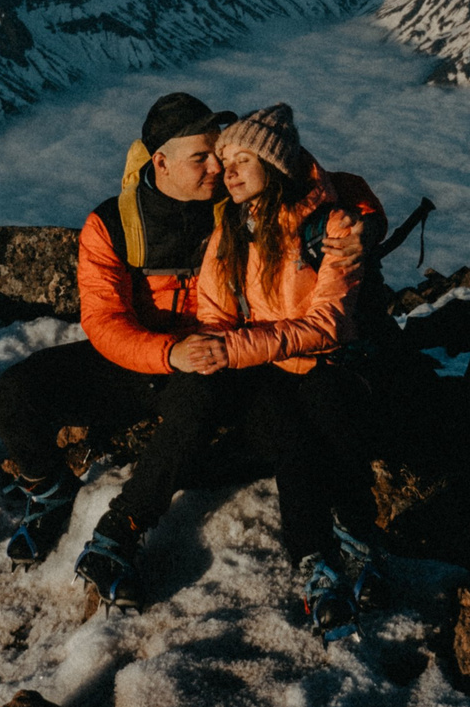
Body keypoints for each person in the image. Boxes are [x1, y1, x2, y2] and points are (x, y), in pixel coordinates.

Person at [72, 103, 389, 638]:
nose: (227, 171)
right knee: (274, 423)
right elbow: (212, 313)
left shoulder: (330, 227)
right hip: (259, 361)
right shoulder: (229, 222)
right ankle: (122, 528)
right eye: (220, 158)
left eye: (243, 159)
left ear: (277, 165)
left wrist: (369, 224)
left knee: (319, 417)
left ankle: (338, 546)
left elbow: (329, 322)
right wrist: (203, 352)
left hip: (316, 359)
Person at [0, 91, 235, 563]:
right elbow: (103, 320)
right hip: (137, 358)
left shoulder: (237, 211)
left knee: (197, 398)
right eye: (200, 157)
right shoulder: (112, 224)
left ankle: (127, 522)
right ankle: (51, 488)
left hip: (206, 361)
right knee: (13, 394)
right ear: (160, 162)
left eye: (217, 155)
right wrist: (167, 354)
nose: (216, 169)